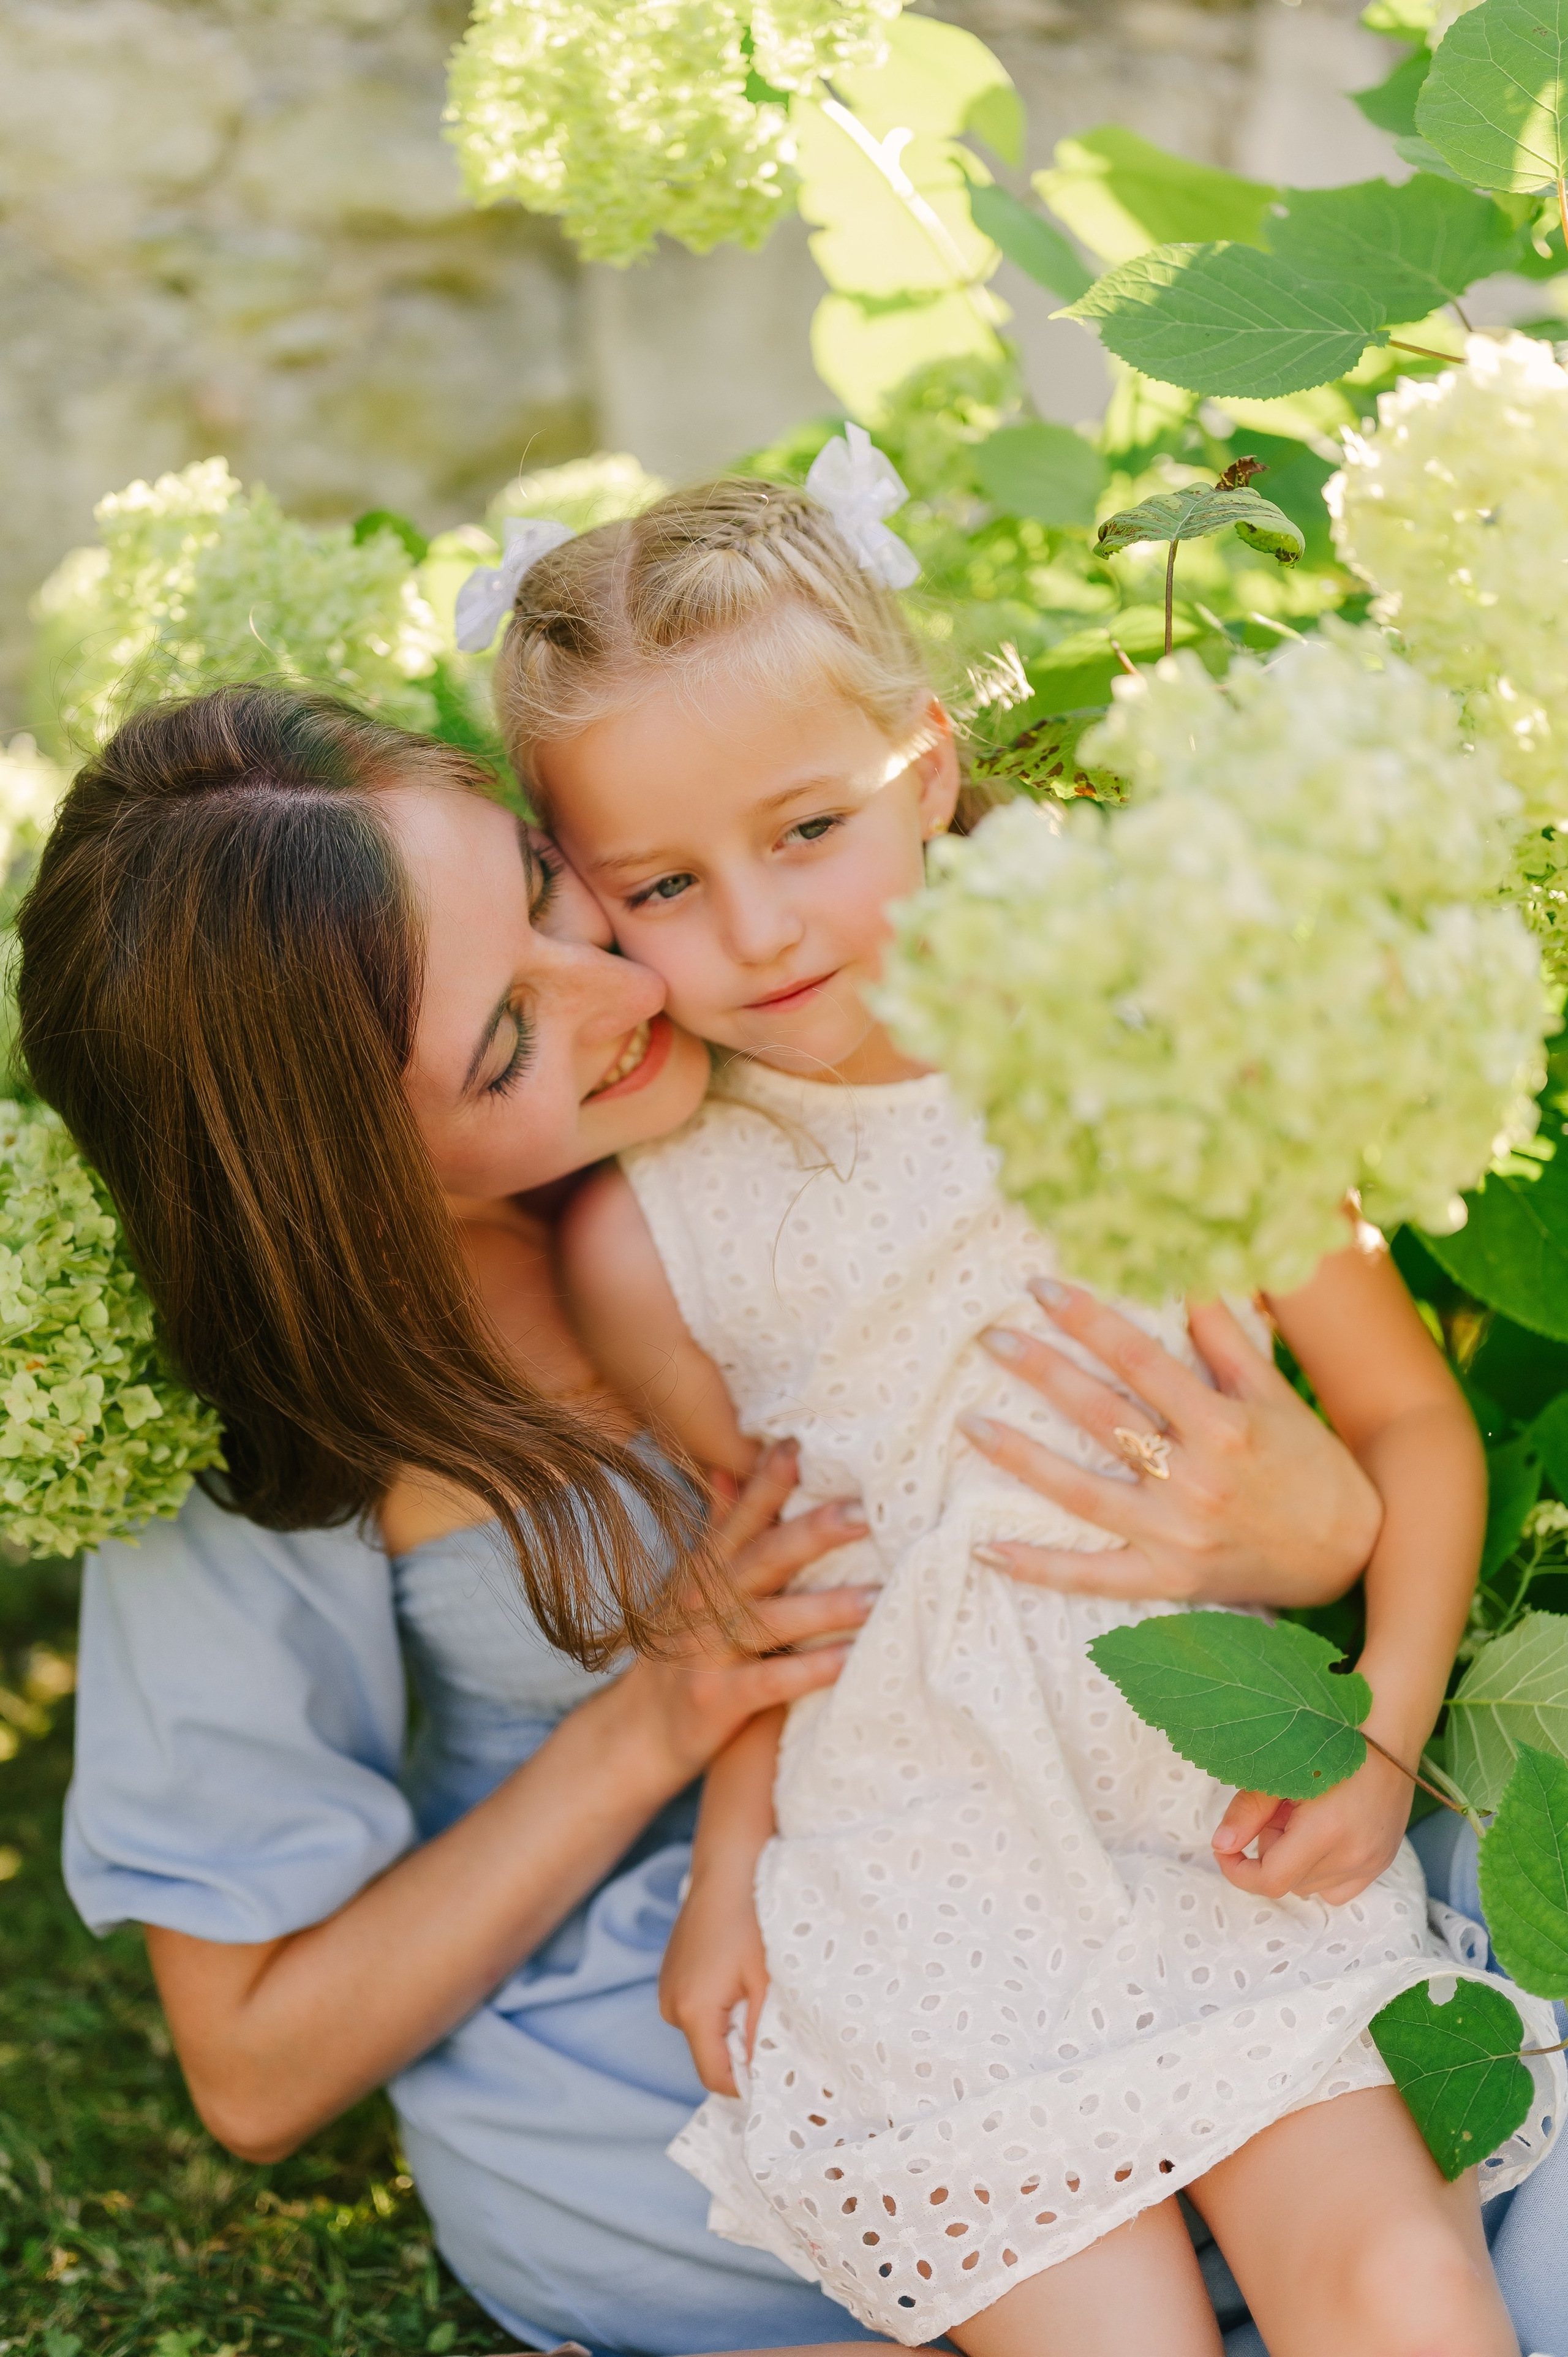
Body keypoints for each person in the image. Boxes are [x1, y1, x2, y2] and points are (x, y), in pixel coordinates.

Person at [20, 685, 1552, 2357]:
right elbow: (250, 2068)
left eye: (548, 887)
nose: (624, 991)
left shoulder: (854, 1057)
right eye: (506, 1044)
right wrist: (664, 1714)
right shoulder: (280, 1447)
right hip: (737, 2018)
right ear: (343, 1174)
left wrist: (1310, 1532)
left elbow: (1298, 1455)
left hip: (1148, 1821)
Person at [478, 464, 1565, 2357]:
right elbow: (780, 1589)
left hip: (1200, 1799)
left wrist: (1381, 1732)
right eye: (663, 886)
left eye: (809, 827)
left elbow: (1409, 1423)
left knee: (1392, 2287)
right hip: (912, 1873)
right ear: (583, 892)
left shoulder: (1149, 1038)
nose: (754, 928)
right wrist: (735, 1864)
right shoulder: (656, 1237)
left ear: (921, 760)